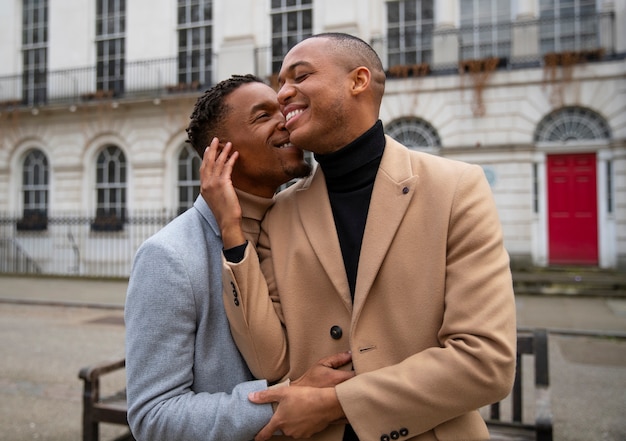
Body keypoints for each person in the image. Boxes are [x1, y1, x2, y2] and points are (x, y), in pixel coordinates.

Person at [203, 34, 517, 441]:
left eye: (300, 76)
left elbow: (486, 363)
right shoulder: (280, 215)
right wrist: (232, 229)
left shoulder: (456, 188)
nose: (283, 94)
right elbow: (269, 360)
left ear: (359, 81)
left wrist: (338, 403)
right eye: (280, 82)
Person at [124, 74, 354, 441]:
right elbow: (153, 416)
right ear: (221, 154)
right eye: (263, 116)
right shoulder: (168, 256)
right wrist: (280, 402)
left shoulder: (304, 223)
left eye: (282, 109)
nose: (286, 119)